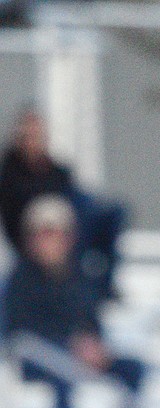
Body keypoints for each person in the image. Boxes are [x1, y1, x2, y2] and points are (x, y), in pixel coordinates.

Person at [1, 194, 146, 408]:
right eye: (43, 233)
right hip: (37, 360)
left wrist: (94, 346)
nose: (50, 240)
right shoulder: (19, 279)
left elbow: (90, 321)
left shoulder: (80, 275)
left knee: (132, 368)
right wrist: (71, 345)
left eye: (56, 233)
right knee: (62, 374)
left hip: (74, 357)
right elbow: (18, 331)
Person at [0, 107, 127, 300]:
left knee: (113, 213)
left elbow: (73, 195)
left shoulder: (55, 170)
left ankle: (104, 285)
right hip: (35, 231)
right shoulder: (9, 174)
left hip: (65, 223)